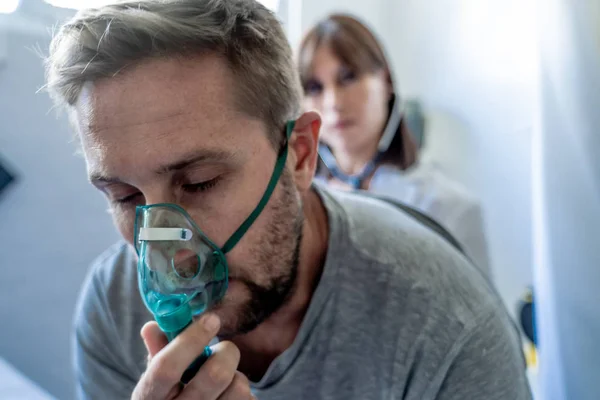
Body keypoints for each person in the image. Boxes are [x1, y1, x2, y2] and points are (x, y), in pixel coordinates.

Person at [45, 1, 530, 399]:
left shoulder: (447, 333)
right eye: (126, 197)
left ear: (299, 156)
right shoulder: (113, 310)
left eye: (200, 182)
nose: (171, 259)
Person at [299, 14, 491, 277]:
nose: (333, 102)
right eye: (314, 87)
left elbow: (477, 316)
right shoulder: (298, 202)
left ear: (386, 81)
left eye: (347, 77)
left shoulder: (447, 207)